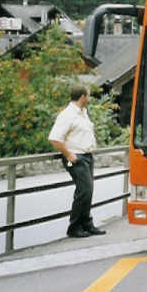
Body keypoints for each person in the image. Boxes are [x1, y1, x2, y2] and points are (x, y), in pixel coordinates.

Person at [48, 85, 107, 238]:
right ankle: (74, 227)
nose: (89, 98)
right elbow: (54, 138)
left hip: (87, 155)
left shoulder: (83, 113)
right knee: (84, 191)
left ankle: (87, 224)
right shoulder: (67, 115)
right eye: (88, 96)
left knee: (88, 191)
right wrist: (68, 154)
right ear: (82, 97)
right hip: (76, 157)